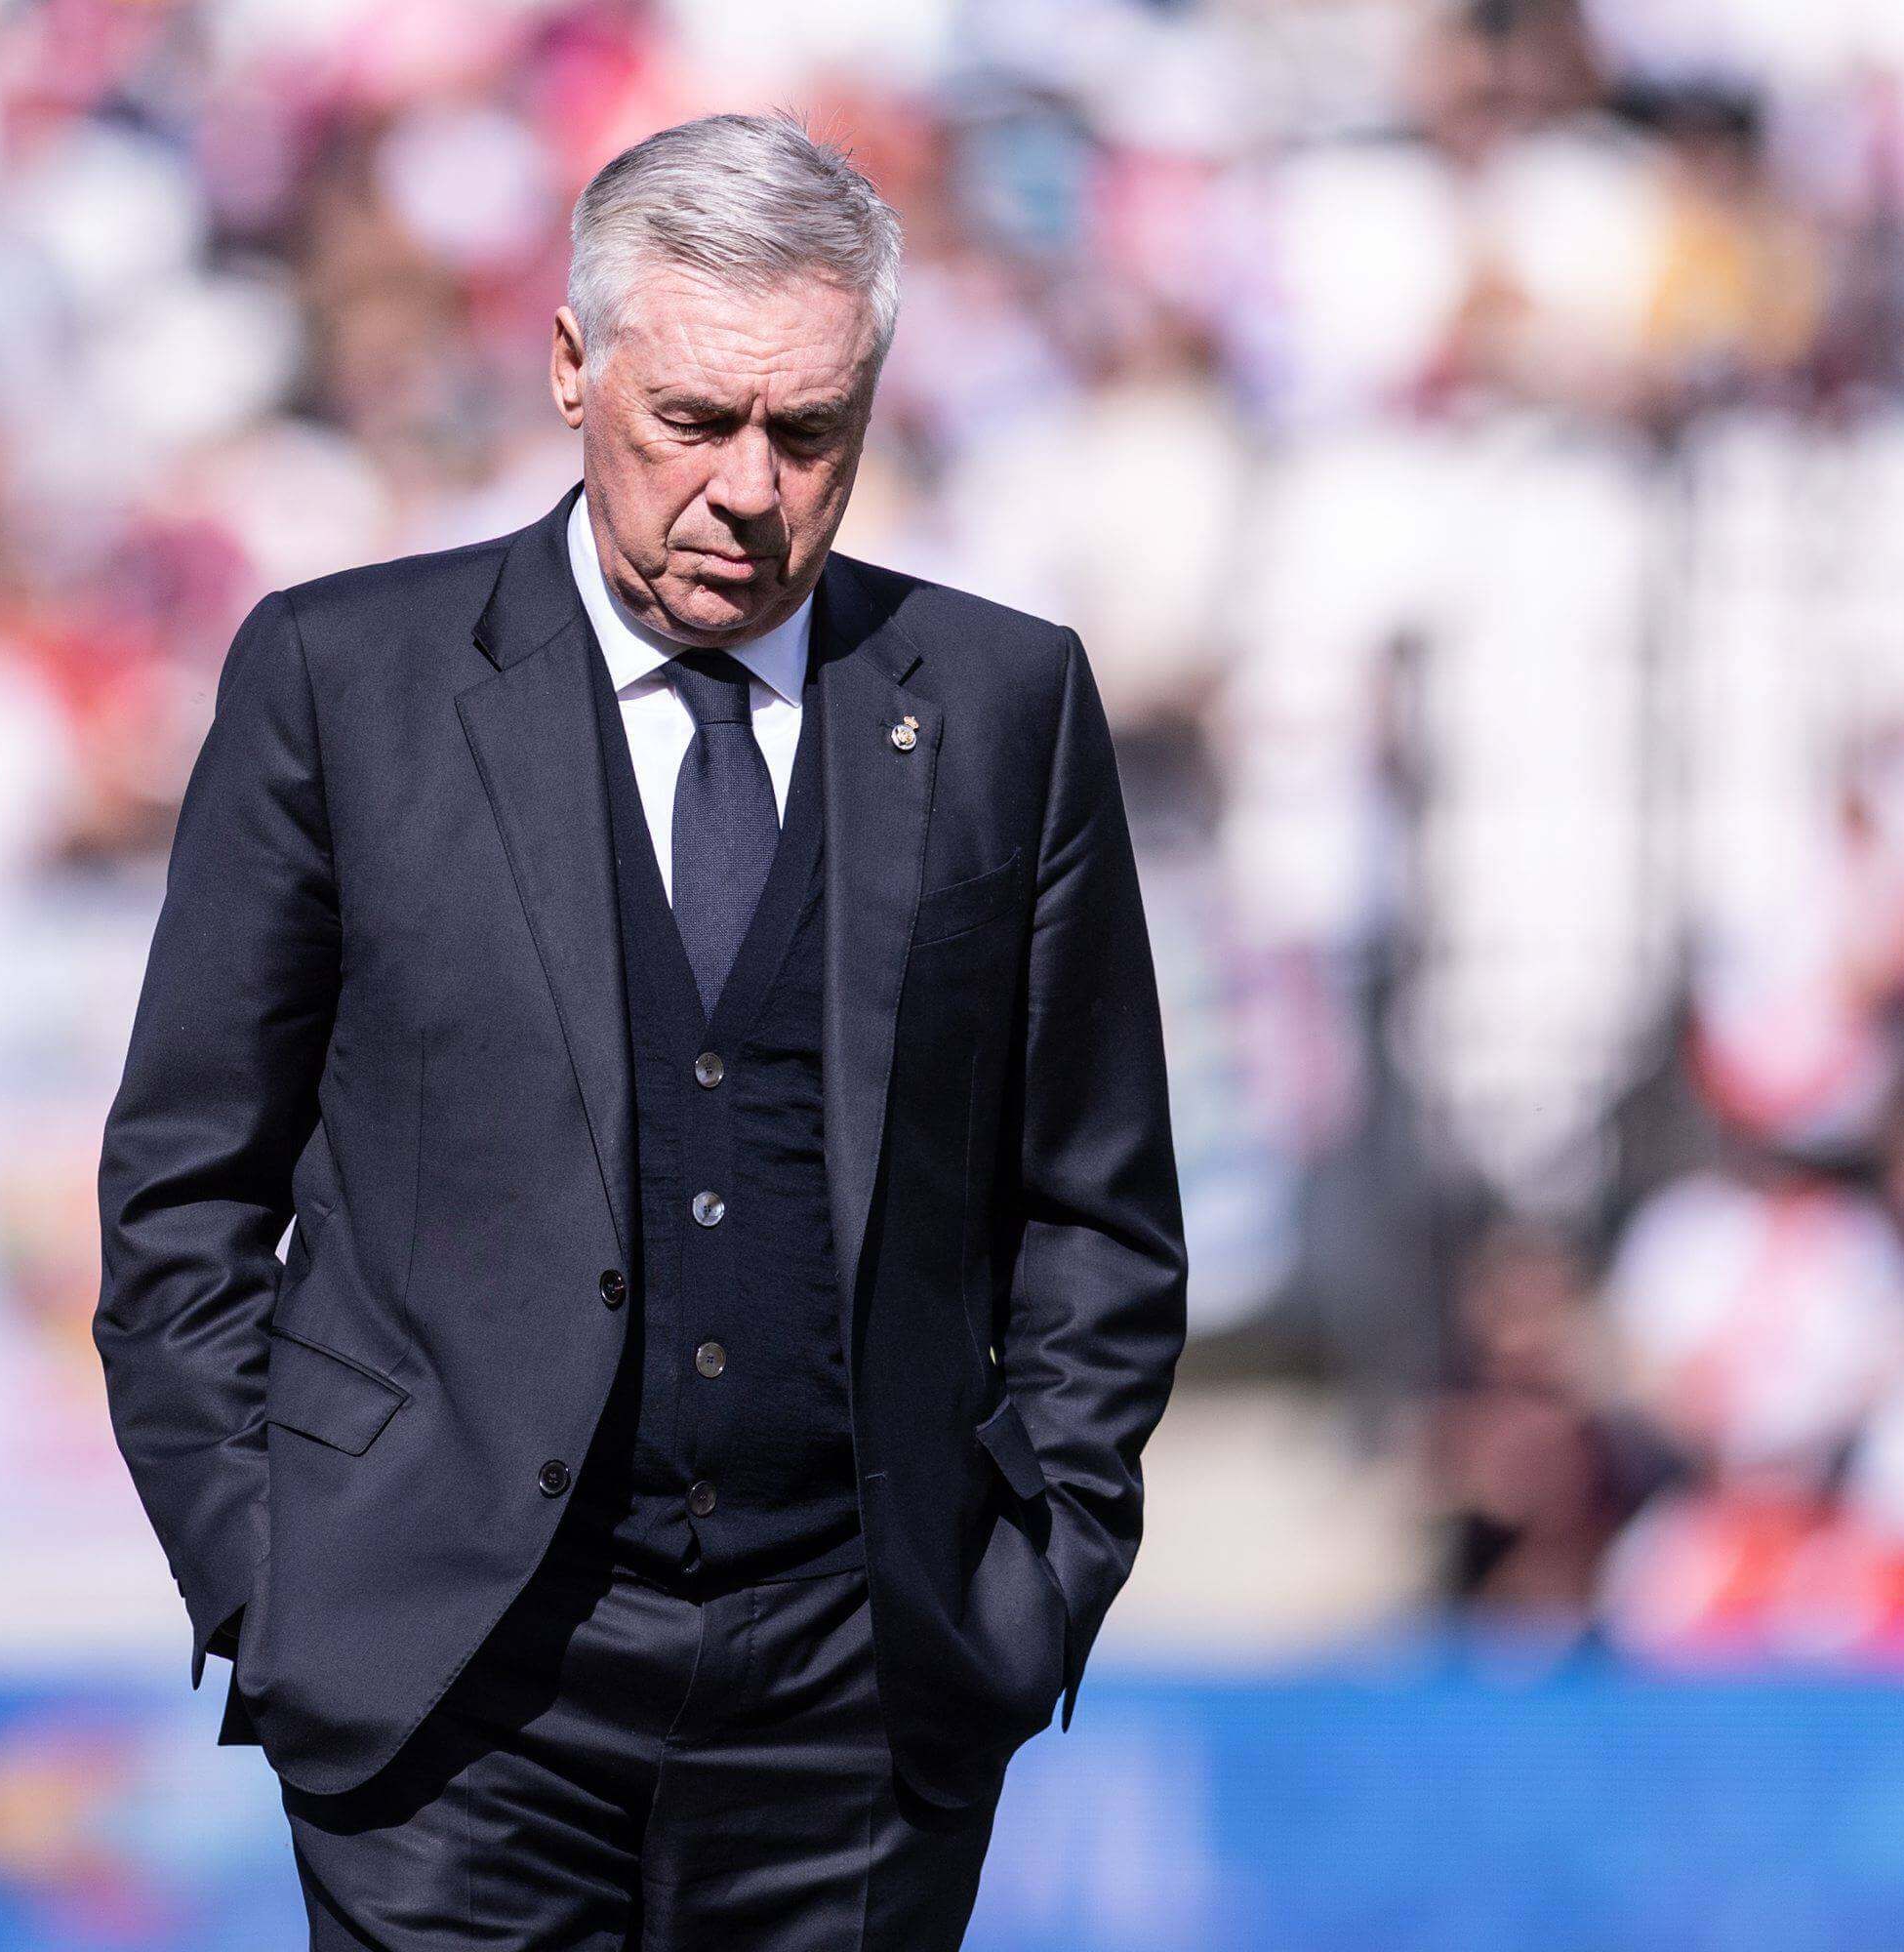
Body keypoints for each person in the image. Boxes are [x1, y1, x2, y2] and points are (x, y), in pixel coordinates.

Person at [96, 109, 1188, 1949]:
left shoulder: (1008, 708)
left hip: (861, 1705)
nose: (750, 489)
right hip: (445, 1696)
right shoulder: (340, 683)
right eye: (694, 421)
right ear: (571, 370)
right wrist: (272, 1577)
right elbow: (184, 1192)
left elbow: (1096, 1210)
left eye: (808, 433)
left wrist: (1032, 1581)